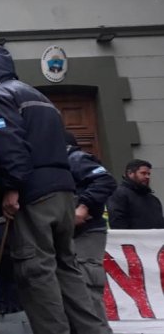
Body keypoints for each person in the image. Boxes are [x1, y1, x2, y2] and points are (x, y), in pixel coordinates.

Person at [0, 43, 108, 334]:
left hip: (34, 195)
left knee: (36, 271)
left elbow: (9, 143)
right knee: (68, 268)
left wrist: (11, 188)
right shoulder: (39, 96)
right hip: (64, 193)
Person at [65, 131, 115, 330]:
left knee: (86, 289)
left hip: (87, 232)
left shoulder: (75, 159)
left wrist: (83, 207)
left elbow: (105, 181)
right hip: (72, 235)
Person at [107, 159, 164, 229]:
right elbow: (117, 222)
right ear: (130, 173)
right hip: (133, 239)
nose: (147, 177)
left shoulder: (153, 199)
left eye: (149, 174)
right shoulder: (119, 194)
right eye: (143, 173)